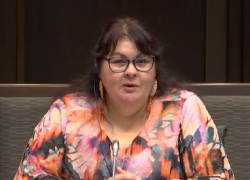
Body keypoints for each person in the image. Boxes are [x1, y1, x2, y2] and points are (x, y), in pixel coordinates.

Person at [14, 17, 235, 180]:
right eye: (118, 61)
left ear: (154, 70)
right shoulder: (66, 113)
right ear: (98, 70)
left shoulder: (184, 109)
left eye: (141, 62)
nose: (131, 72)